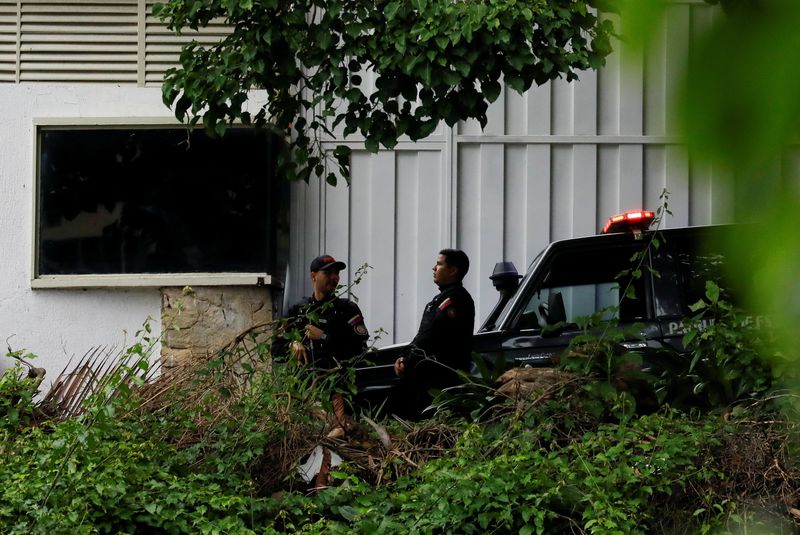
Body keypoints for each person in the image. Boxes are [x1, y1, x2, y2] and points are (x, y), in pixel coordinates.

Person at [393, 249, 475, 418]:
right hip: (428, 380)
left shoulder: (455, 299)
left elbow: (430, 336)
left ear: (453, 270)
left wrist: (407, 361)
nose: (433, 268)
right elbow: (421, 334)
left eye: (439, 264)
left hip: (442, 382)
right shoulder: (441, 299)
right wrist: (403, 356)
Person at [273, 254, 369, 373]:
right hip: (304, 387)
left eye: (337, 273)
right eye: (328, 273)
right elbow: (275, 349)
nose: (334, 277)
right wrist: (291, 345)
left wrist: (324, 337)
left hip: (337, 384)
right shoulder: (298, 310)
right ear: (313, 276)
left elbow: (360, 351)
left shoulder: (347, 310)